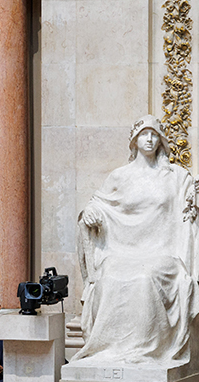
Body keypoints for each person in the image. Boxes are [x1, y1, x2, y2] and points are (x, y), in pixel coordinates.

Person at [76, 114, 199, 366]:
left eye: (154, 134)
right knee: (109, 277)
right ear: (134, 140)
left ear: (161, 140)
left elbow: (188, 206)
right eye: (144, 134)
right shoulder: (119, 177)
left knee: (145, 278)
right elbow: (97, 204)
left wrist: (193, 196)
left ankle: (145, 352)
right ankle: (107, 352)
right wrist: (89, 212)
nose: (150, 139)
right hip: (123, 251)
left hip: (163, 253)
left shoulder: (175, 176)